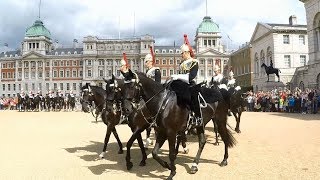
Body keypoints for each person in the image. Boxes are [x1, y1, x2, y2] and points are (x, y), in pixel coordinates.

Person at [171, 34, 202, 126]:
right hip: (181, 84)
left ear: (187, 52)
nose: (181, 55)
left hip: (190, 83)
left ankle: (197, 116)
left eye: (182, 53)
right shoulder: (182, 63)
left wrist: (178, 76)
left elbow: (191, 76)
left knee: (194, 95)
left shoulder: (194, 62)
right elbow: (181, 74)